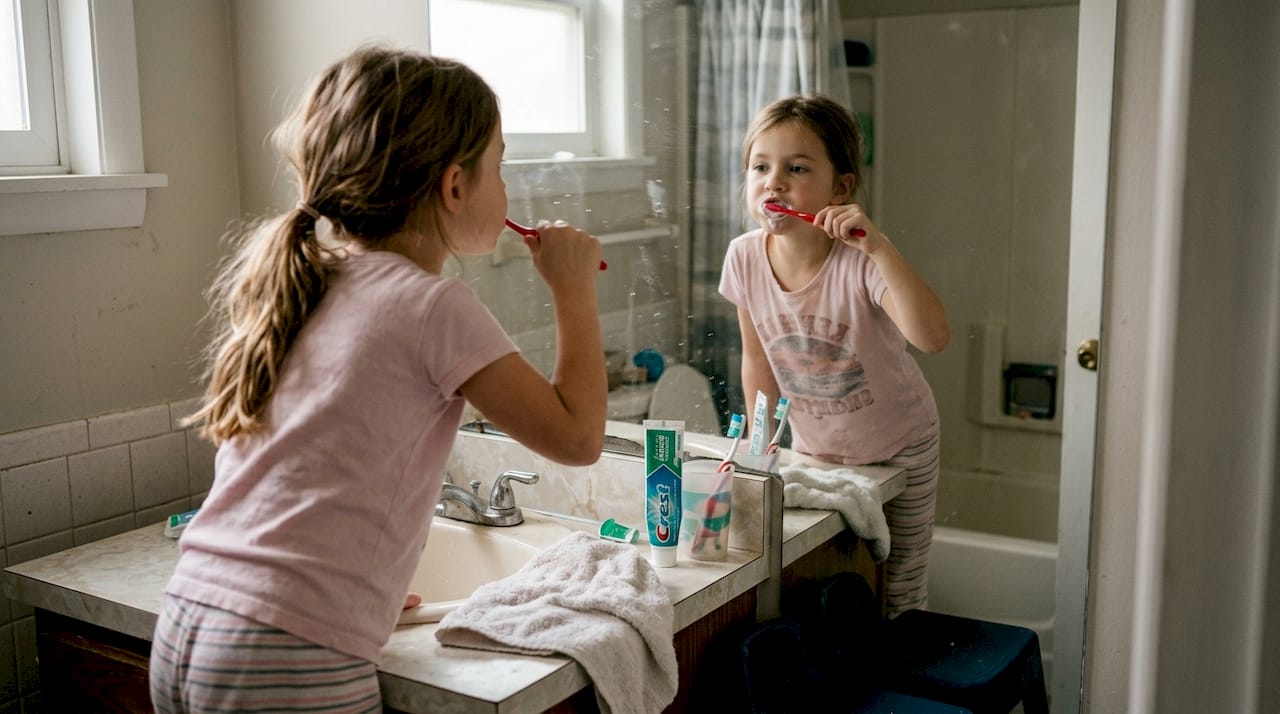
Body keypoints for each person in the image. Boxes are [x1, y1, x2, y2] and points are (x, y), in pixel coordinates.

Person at [149, 46, 607, 712]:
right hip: (289, 652)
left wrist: (358, 587)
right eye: (499, 165)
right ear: (454, 186)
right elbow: (577, 438)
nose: (506, 188)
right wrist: (572, 293)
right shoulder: (433, 305)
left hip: (191, 619)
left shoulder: (307, 279)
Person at [719, 95, 950, 616]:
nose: (773, 182)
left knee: (900, 583)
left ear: (841, 187)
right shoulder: (744, 257)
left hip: (901, 445)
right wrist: (762, 450)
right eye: (760, 167)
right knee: (831, 578)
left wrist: (880, 248)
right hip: (815, 449)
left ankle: (899, 668)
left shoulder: (861, 264)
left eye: (796, 168)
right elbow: (757, 360)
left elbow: (933, 338)